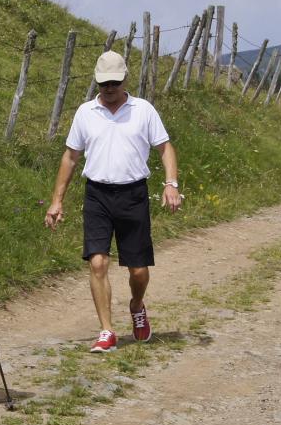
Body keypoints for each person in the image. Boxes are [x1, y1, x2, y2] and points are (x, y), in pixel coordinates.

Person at [43, 50, 181, 353]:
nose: (109, 88)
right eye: (104, 83)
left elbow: (165, 148)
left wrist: (171, 184)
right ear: (96, 81)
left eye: (115, 82)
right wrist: (57, 201)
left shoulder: (143, 110)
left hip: (133, 194)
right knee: (98, 262)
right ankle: (107, 330)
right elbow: (70, 157)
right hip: (98, 195)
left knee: (138, 270)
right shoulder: (85, 112)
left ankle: (137, 304)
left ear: (125, 79)